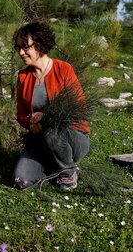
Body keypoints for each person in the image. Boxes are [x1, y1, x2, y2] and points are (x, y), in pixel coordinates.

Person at [12, 21, 90, 190]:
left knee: (52, 135)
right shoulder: (23, 76)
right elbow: (21, 114)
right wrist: (30, 121)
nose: (21, 52)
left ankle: (68, 171)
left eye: (25, 46)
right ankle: (55, 166)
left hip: (71, 136)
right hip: (40, 140)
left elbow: (78, 107)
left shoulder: (63, 69)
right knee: (22, 179)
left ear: (39, 44)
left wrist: (46, 117)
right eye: (18, 47)